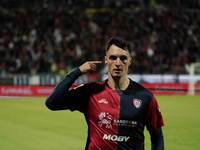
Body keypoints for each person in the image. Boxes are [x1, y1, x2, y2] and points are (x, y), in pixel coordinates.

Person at [45, 37, 164, 150]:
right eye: (113, 58)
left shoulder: (145, 96)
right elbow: (52, 102)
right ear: (106, 60)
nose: (118, 63)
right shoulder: (90, 92)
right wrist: (77, 72)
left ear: (129, 61)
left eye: (123, 58)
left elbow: (157, 136)